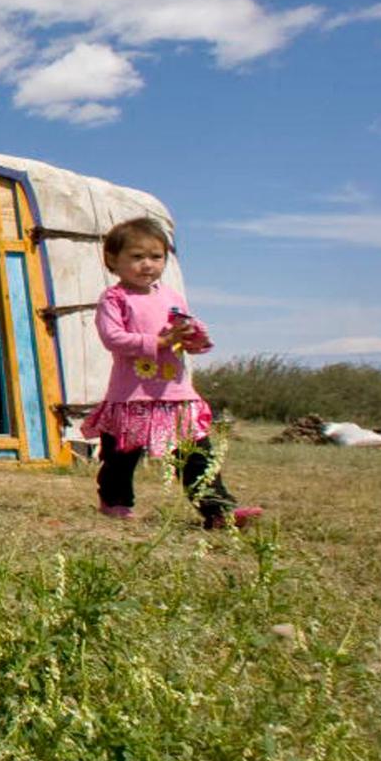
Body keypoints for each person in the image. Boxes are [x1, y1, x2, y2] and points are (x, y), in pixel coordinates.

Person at [79, 217, 262, 529]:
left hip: (175, 394)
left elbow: (190, 339)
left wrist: (192, 334)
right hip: (131, 395)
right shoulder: (115, 298)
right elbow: (113, 338)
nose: (147, 265)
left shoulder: (171, 297)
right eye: (137, 257)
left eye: (156, 257)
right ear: (113, 259)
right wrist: (159, 341)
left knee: (196, 455)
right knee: (121, 458)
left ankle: (218, 511)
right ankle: (115, 502)